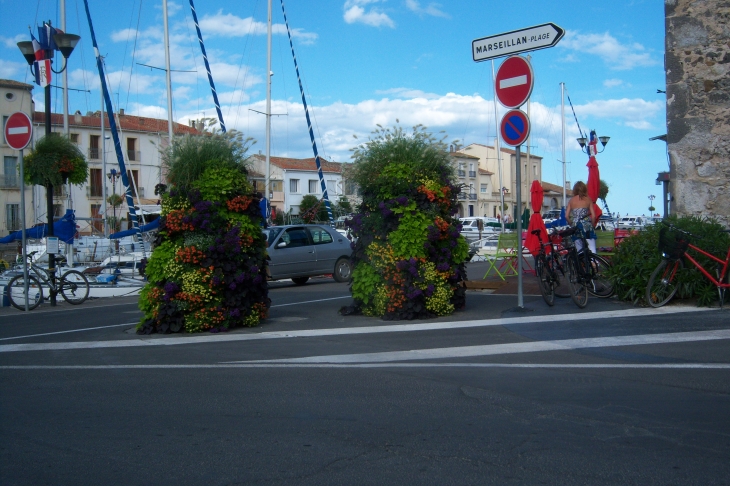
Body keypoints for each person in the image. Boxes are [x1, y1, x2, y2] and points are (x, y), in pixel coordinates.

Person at [566, 181, 596, 254]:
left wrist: (571, 224)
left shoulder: (571, 201)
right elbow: (594, 215)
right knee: (591, 247)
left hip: (576, 226)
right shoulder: (588, 199)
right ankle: (594, 263)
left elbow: (566, 216)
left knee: (579, 249)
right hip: (587, 225)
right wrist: (592, 225)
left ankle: (581, 263)